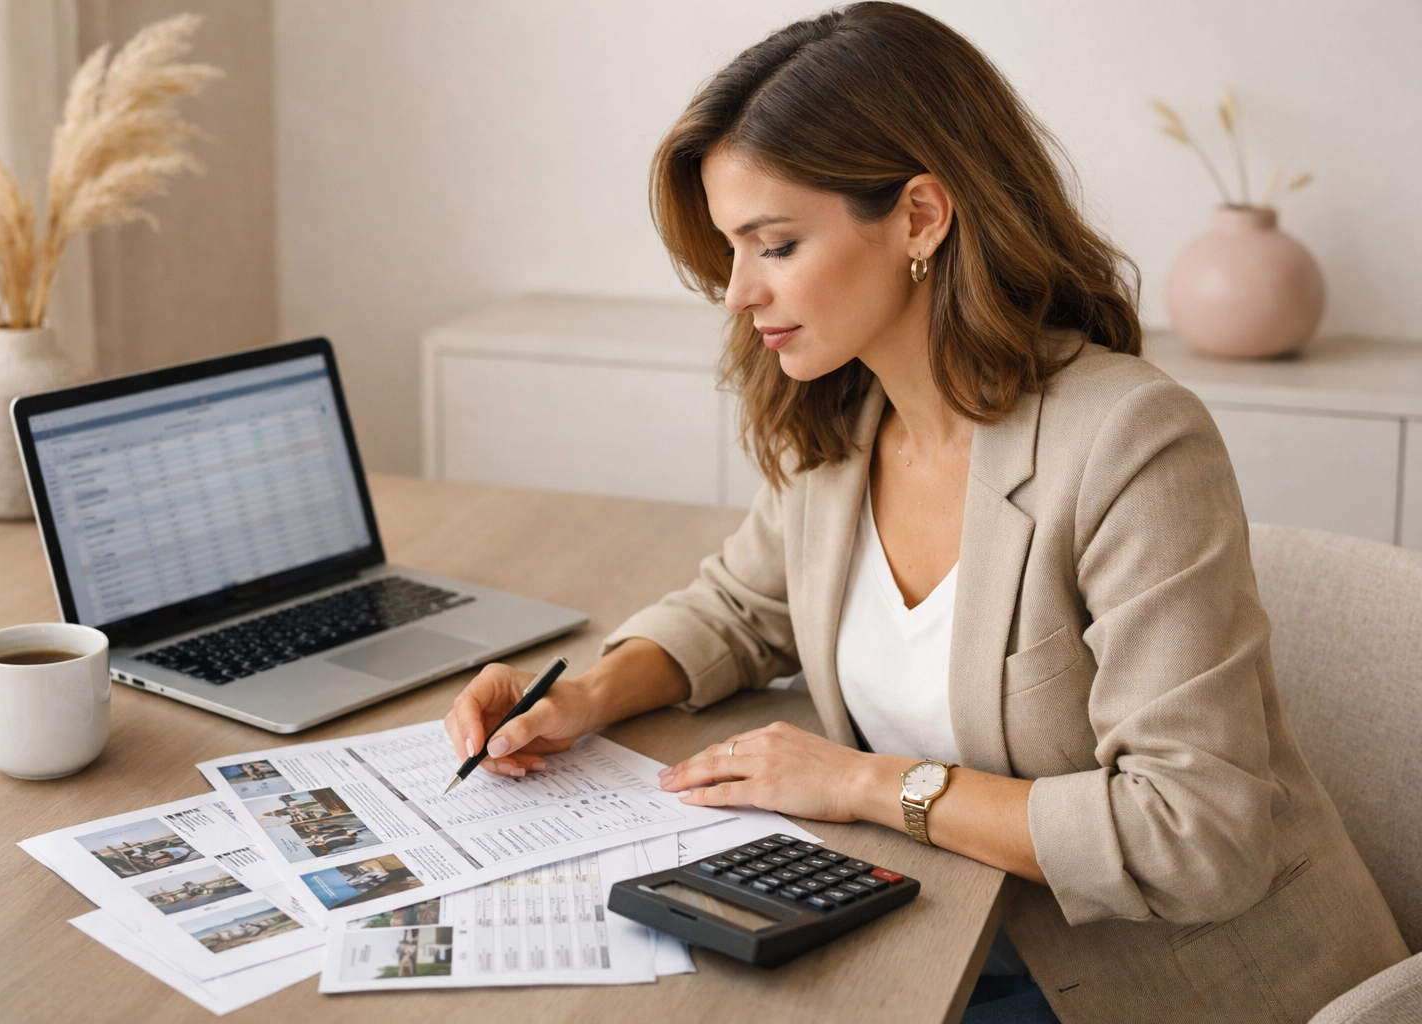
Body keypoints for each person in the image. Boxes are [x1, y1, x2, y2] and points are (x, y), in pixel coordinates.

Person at [443, 5, 1406, 1021]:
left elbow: (1194, 833)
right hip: (939, 926)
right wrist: (585, 698)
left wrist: (867, 784)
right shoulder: (845, 415)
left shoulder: (1129, 442)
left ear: (918, 217)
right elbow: (738, 605)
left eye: (773, 245)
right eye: (732, 250)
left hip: (1151, 983)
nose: (735, 292)